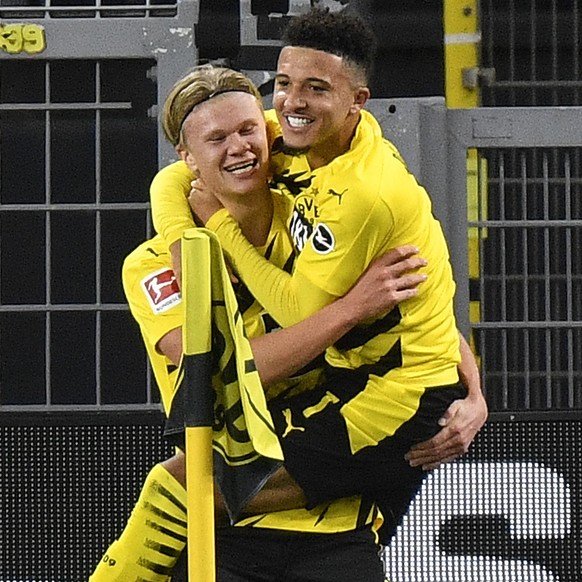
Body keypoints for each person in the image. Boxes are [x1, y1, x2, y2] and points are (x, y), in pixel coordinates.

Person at [90, 65, 431, 582]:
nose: (239, 148)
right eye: (216, 138)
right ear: (187, 160)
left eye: (248, 130)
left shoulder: (320, 219)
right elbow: (212, 365)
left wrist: (471, 393)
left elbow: (414, 305)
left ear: (269, 131)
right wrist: (348, 310)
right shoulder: (153, 262)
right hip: (223, 534)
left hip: (334, 523)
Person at [184, 7, 488, 544]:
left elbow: (299, 311)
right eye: (282, 83)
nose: (291, 102)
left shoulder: (363, 194)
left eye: (315, 88)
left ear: (357, 103)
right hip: (349, 373)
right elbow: (174, 177)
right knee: (195, 466)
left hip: (398, 398)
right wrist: (180, 242)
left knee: (209, 484)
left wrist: (217, 226)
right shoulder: (297, 135)